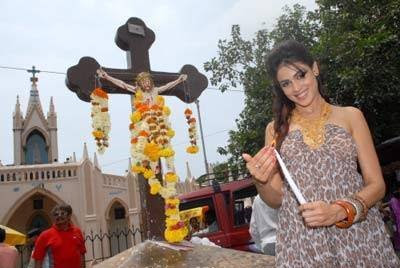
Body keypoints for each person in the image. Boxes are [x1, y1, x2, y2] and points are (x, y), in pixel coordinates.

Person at [242, 40, 399, 266]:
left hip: (357, 233)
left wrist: (339, 211)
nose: (296, 88)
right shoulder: (275, 130)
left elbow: (376, 185)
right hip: (304, 241)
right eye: (286, 83)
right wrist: (261, 181)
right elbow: (277, 200)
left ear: (314, 68)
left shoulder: (351, 116)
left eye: (301, 75)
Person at [96, 68, 187, 105]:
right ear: (140, 84)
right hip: (143, 120)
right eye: (143, 82)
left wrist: (179, 80)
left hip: (157, 118)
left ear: (151, 82)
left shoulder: (155, 90)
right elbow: (122, 84)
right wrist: (107, 77)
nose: (146, 84)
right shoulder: (138, 91)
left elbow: (167, 86)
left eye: (147, 82)